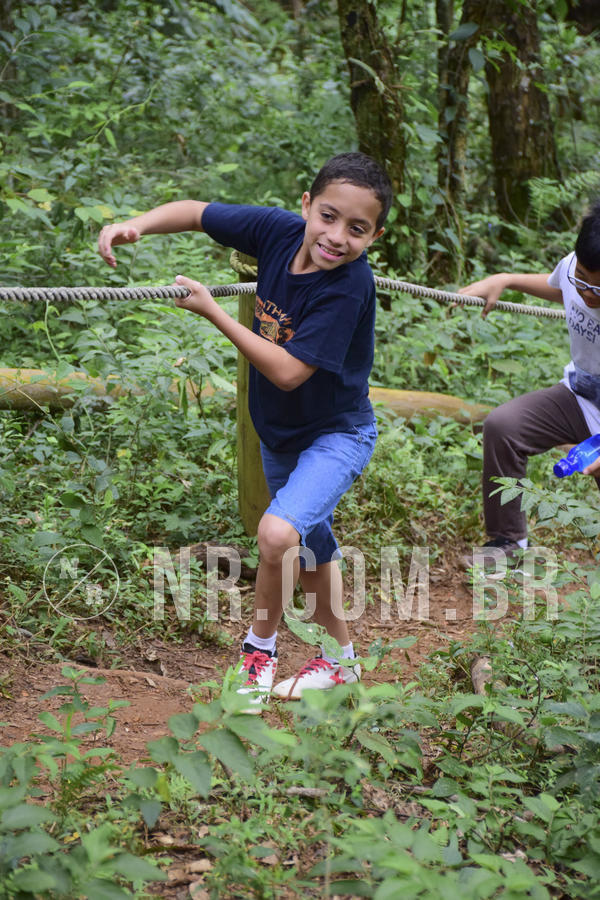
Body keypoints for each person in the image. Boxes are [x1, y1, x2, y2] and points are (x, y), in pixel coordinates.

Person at [98, 152, 392, 709]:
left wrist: (215, 311)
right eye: (328, 217)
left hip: (338, 433)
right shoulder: (278, 233)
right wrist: (137, 223)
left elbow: (286, 371)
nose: (336, 237)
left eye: (357, 229)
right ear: (306, 206)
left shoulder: (348, 286)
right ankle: (341, 663)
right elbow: (197, 211)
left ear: (374, 235)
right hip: (281, 435)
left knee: (279, 535)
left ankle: (258, 653)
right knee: (312, 550)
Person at [459, 200, 600, 566]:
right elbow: (560, 287)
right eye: (583, 279)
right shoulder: (573, 271)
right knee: (503, 427)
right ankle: (508, 542)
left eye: (599, 290)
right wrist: (505, 280)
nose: (587, 295)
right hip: (580, 395)